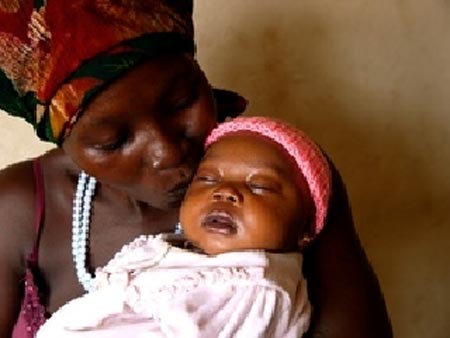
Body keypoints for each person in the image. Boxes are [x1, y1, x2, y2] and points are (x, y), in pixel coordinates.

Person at [0, 1, 392, 338]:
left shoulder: (285, 175)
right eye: (112, 141)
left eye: (181, 102)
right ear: (64, 144)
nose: (167, 153)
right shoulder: (18, 208)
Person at [36, 116, 331, 338]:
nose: (225, 192)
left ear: (305, 229)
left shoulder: (254, 290)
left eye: (259, 185)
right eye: (208, 179)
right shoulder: (191, 259)